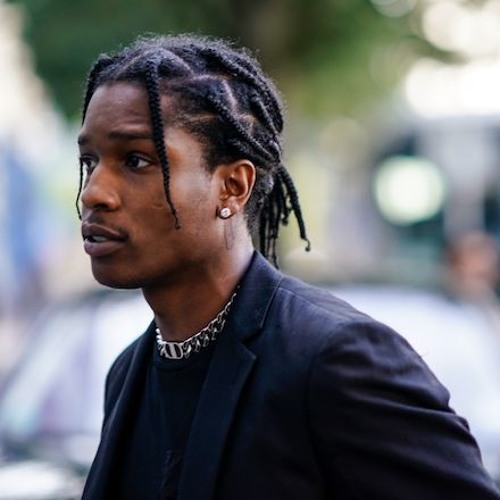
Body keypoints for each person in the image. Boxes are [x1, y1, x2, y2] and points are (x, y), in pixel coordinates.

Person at [77, 33, 500, 499]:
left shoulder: (334, 360)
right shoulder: (128, 373)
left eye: (136, 160)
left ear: (232, 186)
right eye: (90, 161)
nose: (94, 192)